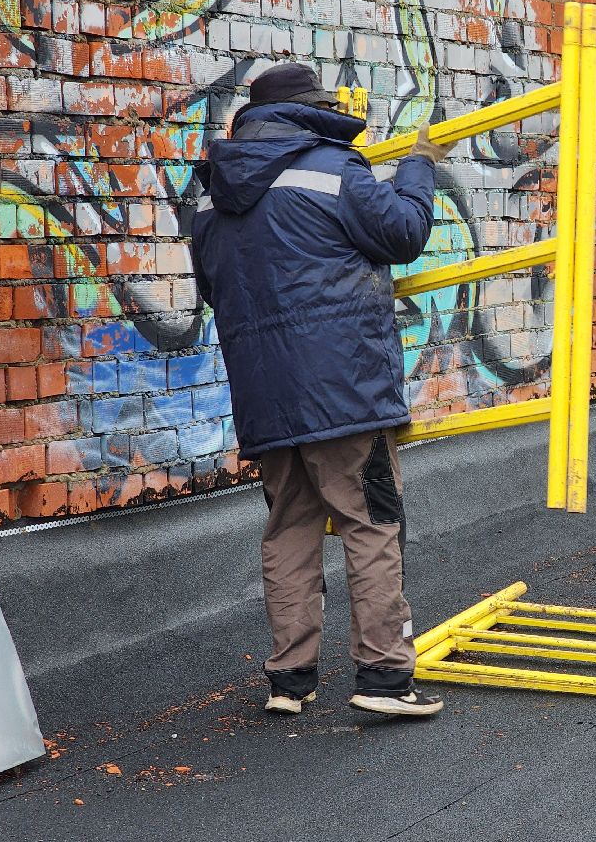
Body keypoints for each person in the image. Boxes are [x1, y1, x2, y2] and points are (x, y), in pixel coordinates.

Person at [191, 63, 454, 717]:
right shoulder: (334, 167)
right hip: (345, 390)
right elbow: (404, 234)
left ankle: (290, 682)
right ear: (311, 110)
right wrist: (421, 163)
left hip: (265, 394)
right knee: (371, 522)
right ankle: (386, 678)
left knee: (288, 528)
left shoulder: (208, 195)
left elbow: (214, 288)